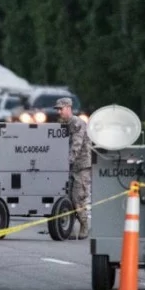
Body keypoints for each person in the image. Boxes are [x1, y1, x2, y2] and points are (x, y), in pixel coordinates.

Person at [54, 97, 92, 240]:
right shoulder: (65, 123)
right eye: (57, 109)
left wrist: (67, 162)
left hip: (81, 166)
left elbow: (76, 145)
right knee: (69, 197)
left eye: (61, 109)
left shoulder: (77, 123)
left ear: (68, 108)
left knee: (78, 196)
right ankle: (71, 228)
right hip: (71, 167)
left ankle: (84, 225)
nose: (59, 112)